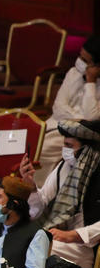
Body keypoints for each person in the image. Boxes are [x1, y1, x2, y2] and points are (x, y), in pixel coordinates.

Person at [20, 119, 100, 268]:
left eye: (69, 146)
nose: (66, 151)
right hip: (56, 235)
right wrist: (31, 187)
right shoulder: (64, 167)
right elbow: (40, 205)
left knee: (37, 248)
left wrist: (75, 235)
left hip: (84, 245)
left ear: (86, 149)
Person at [38, 36, 100, 173]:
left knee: (41, 150)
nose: (79, 61)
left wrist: (90, 82)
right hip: (55, 125)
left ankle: (37, 191)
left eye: (85, 60)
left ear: (97, 66)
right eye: (80, 56)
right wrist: (80, 120)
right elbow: (58, 107)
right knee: (22, 143)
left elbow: (92, 118)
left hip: (81, 136)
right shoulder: (73, 73)